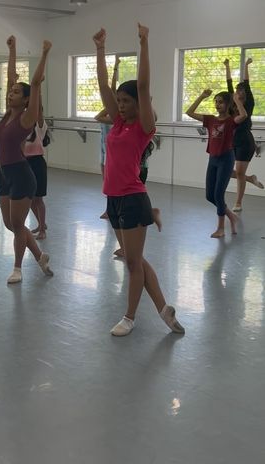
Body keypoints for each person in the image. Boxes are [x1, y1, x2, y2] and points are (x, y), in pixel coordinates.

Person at [93, 24, 184, 337]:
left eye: (125, 101)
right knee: (137, 261)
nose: (120, 105)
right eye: (118, 101)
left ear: (138, 103)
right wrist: (100, 50)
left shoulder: (144, 126)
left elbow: (143, 86)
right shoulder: (118, 123)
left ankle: (129, 317)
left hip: (132, 198)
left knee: (132, 264)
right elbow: (103, 85)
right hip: (114, 198)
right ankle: (164, 309)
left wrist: (145, 43)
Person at [0, 35, 53, 284]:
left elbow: (36, 83)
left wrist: (45, 54)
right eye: (10, 92)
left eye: (16, 92)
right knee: (10, 224)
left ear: (27, 99)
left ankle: (18, 269)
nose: (11, 93)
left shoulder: (27, 118)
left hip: (21, 175)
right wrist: (12, 49)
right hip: (5, 174)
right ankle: (40, 256)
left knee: (18, 225)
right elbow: (11, 78)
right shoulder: (8, 114)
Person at [186, 88, 247, 237]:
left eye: (221, 102)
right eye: (216, 102)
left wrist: (237, 100)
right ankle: (231, 216)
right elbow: (189, 112)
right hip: (213, 159)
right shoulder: (210, 119)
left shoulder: (231, 121)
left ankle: (221, 228)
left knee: (218, 194)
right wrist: (201, 96)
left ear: (228, 104)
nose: (217, 105)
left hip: (226, 159)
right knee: (209, 195)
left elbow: (244, 115)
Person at [224, 57, 264, 211]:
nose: (237, 92)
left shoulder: (249, 104)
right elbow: (228, 83)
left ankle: (238, 203)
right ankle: (250, 178)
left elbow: (247, 83)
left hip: (245, 142)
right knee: (227, 171)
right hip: (231, 141)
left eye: (241, 90)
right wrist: (227, 66)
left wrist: (246, 65)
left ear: (245, 93)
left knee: (239, 173)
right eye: (237, 90)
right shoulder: (232, 104)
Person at [95, 57, 120, 219]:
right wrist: (115, 68)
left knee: (111, 182)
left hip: (111, 153)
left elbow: (98, 117)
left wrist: (116, 69)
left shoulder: (114, 116)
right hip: (103, 151)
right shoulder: (109, 112)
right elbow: (110, 88)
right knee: (106, 182)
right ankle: (109, 209)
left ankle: (112, 209)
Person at [23, 92, 48, 240]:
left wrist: (37, 91)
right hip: (25, 163)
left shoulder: (39, 127)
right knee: (30, 199)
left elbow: (39, 111)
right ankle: (41, 224)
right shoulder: (23, 129)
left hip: (37, 163)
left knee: (38, 199)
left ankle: (43, 229)